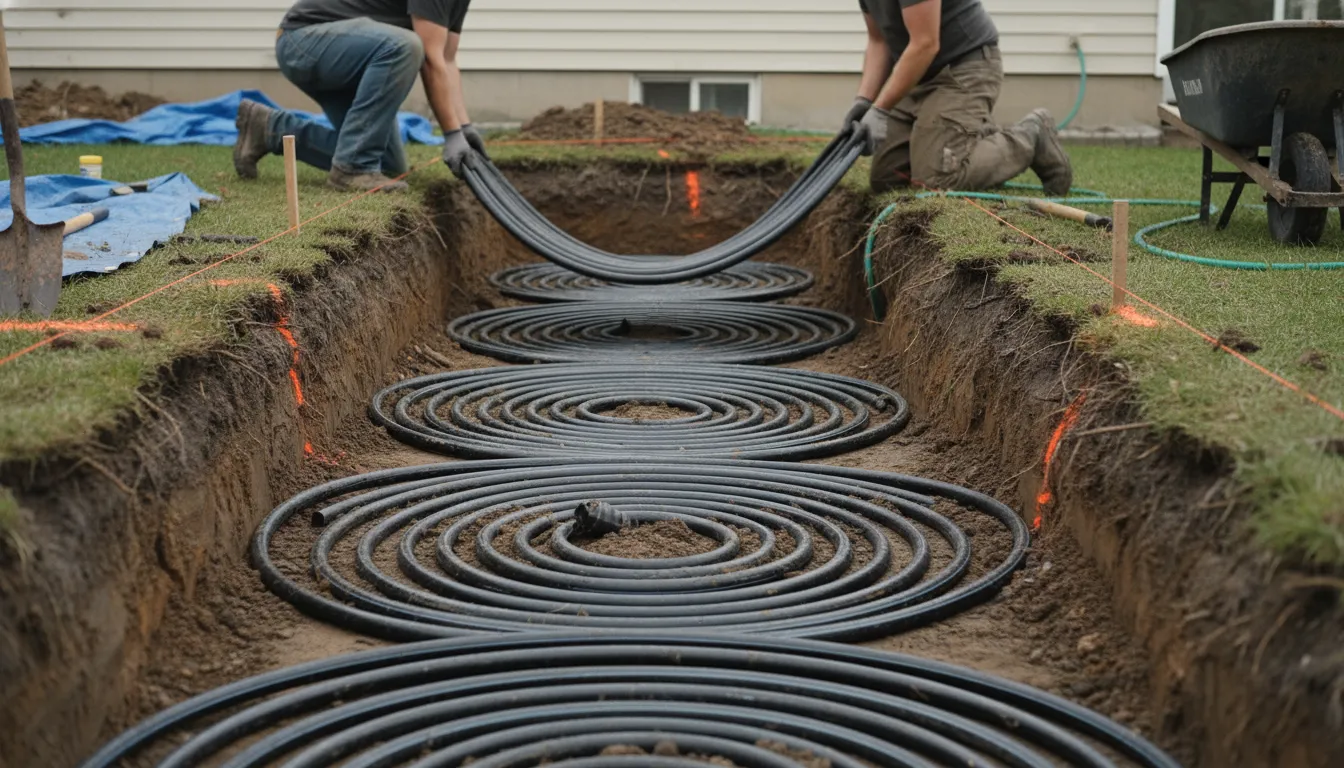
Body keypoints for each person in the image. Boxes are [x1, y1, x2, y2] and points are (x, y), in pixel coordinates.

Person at [232, 0, 482, 193]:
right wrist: (451, 133)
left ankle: (268, 129)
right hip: (303, 39)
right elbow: (431, 59)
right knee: (406, 46)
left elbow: (447, 59)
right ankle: (353, 169)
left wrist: (465, 128)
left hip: (352, 55)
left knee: (389, 166)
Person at [844, 0, 1073, 196]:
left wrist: (881, 109)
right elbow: (878, 41)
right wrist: (864, 100)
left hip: (964, 68)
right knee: (886, 178)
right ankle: (968, 137)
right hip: (918, 76)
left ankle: (1031, 136)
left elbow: (925, 43)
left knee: (937, 179)